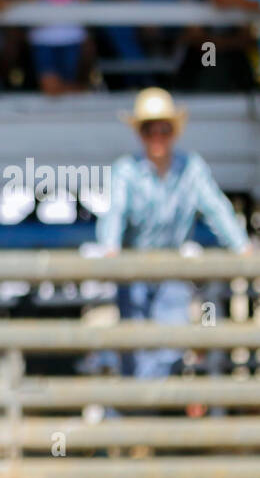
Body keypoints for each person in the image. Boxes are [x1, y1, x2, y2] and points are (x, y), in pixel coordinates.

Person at [98, 88, 251, 380]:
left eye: (163, 129)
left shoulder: (191, 168)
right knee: (136, 349)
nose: (157, 135)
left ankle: (148, 408)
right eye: (149, 129)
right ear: (140, 134)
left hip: (172, 271)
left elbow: (216, 208)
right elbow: (113, 214)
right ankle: (143, 410)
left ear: (173, 132)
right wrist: (110, 251)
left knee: (171, 345)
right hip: (133, 272)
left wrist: (241, 247)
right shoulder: (125, 171)